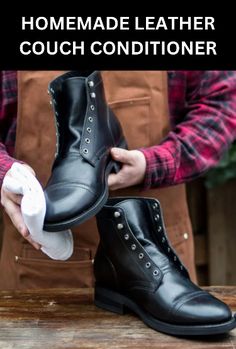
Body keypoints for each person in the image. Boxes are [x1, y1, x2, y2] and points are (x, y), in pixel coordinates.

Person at [0, 70, 236, 290]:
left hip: (158, 259)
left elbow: (222, 103)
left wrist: (153, 164)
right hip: (39, 266)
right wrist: (5, 173)